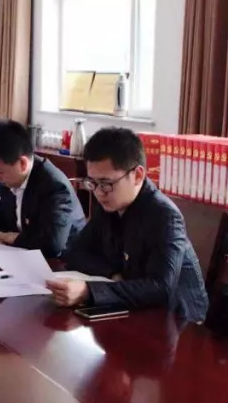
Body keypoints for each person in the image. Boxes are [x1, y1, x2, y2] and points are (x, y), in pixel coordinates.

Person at [46, 127, 209, 322]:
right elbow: (75, 252)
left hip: (178, 319)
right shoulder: (109, 204)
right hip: (131, 306)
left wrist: (88, 291)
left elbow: (160, 287)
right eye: (93, 183)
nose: (98, 192)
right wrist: (112, 274)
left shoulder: (164, 216)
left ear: (138, 175)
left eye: (106, 183)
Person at [0, 120, 85, 258]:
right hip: (25, 257)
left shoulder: (54, 187)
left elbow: (52, 244)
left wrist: (14, 238)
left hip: (63, 263)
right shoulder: (12, 177)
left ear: (22, 163)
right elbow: (4, 214)